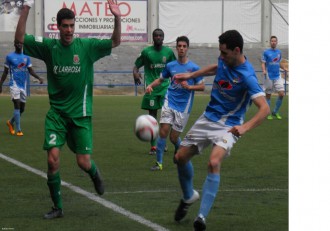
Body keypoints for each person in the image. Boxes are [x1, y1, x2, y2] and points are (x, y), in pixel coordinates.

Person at [14, 0, 121, 219]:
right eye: (65, 26)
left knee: (83, 162)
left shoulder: (87, 47)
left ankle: (93, 172)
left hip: (81, 116)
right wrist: (26, 7)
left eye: (72, 26)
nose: (69, 30)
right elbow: (20, 40)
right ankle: (58, 207)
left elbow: (115, 41)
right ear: (58, 27)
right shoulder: (49, 47)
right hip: (57, 115)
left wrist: (117, 17)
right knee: (52, 160)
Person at [172, 30, 270, 231]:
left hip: (229, 125)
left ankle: (201, 217)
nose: (222, 56)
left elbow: (265, 109)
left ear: (236, 50)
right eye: (220, 52)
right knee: (180, 157)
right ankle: (188, 196)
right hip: (208, 117)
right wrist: (192, 74)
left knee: (214, 161)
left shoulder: (248, 76)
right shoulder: (225, 59)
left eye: (225, 53)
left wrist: (244, 127)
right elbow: (217, 67)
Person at [145, 36, 204, 171]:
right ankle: (159, 163)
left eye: (184, 46)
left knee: (173, 137)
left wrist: (189, 87)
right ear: (176, 48)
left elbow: (202, 87)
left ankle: (179, 151)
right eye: (179, 46)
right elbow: (160, 80)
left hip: (183, 107)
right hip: (169, 101)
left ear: (187, 48)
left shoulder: (194, 68)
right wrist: (151, 86)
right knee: (163, 132)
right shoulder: (171, 66)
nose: (181, 48)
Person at [133, 28, 176, 155]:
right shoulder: (146, 52)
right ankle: (153, 146)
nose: (158, 37)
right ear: (153, 37)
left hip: (165, 87)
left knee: (165, 116)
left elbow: (174, 68)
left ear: (163, 37)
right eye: (156, 35)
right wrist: (135, 73)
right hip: (150, 87)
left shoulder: (168, 52)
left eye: (160, 35)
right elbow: (136, 66)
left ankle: (162, 143)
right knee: (152, 116)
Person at [0, 40, 43, 136]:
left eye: (21, 43)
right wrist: (1, 84)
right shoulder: (10, 57)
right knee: (17, 105)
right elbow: (5, 72)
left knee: (22, 108)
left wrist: (39, 77)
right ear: (14, 44)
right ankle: (19, 130)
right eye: (17, 43)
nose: (19, 44)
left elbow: (31, 70)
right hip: (14, 84)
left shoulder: (26, 57)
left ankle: (10, 122)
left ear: (22, 44)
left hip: (23, 85)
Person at [261, 35, 288, 120]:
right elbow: (263, 63)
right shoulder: (266, 52)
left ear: (277, 42)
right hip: (269, 76)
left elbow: (279, 62)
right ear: (270, 42)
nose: (273, 42)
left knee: (281, 94)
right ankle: (268, 113)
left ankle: (275, 112)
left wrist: (284, 68)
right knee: (268, 95)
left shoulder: (279, 52)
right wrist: (264, 70)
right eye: (272, 41)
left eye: (275, 41)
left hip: (277, 76)